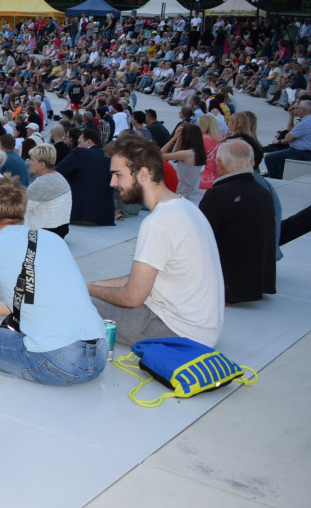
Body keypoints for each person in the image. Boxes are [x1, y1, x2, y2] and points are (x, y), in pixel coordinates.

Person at [0, 175, 107, 385]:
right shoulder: (52, 239)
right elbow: (31, 303)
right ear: (22, 212)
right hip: (98, 355)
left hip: (57, 362)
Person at [88, 136, 224, 347]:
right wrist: (91, 285)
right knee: (87, 292)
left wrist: (86, 291)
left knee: (74, 301)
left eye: (118, 175)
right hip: (200, 329)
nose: (112, 183)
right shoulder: (185, 207)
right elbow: (141, 279)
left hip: (177, 332)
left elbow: (132, 297)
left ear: (143, 174)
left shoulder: (159, 222)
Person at [198, 139, 276, 303]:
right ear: (252, 162)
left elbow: (199, 240)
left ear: (220, 163)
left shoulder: (218, 195)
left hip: (228, 287)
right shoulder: (263, 192)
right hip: (259, 282)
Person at [55, 128, 115, 226]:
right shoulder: (109, 157)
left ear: (89, 142)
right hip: (105, 217)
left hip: (78, 215)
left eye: (79, 142)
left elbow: (56, 172)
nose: (77, 145)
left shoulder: (79, 152)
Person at [24, 143, 72, 238]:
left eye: (32, 160)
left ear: (42, 165)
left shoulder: (42, 183)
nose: (29, 163)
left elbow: (20, 208)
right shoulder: (58, 176)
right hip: (61, 229)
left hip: (46, 232)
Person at [265, 100, 311, 178]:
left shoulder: (306, 122)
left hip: (302, 152)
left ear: (303, 109)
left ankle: (275, 179)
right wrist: (292, 116)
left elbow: (288, 137)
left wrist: (292, 137)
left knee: (270, 158)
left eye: (297, 108)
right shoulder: (306, 121)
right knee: (280, 156)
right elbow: (290, 133)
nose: (296, 110)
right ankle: (280, 175)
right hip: (303, 151)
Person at [161, 122, 206, 199]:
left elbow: (159, 155)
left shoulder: (186, 154)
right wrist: (179, 139)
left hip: (178, 192)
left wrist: (174, 138)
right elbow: (174, 155)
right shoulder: (197, 152)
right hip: (185, 192)